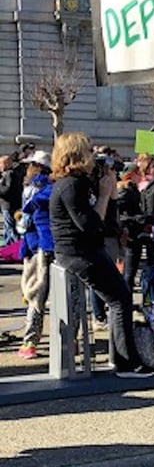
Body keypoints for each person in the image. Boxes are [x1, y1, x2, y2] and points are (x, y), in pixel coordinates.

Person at [48, 132, 154, 377]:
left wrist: (109, 194)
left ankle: (121, 357)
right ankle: (127, 362)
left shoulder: (77, 183)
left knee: (119, 297)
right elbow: (89, 224)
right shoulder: (70, 185)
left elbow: (104, 222)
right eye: (88, 152)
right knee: (120, 299)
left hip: (85, 249)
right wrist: (105, 194)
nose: (92, 157)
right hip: (78, 252)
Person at [17, 151, 53, 359]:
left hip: (35, 246)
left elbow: (25, 223)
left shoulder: (30, 190)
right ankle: (70, 341)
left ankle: (30, 341)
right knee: (64, 297)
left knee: (35, 297)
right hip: (56, 245)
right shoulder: (57, 187)